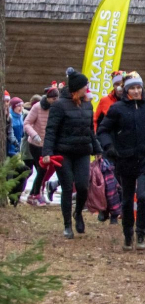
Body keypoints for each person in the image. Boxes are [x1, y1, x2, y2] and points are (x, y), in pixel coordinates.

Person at [98, 71, 145, 250]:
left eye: (139, 87)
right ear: (126, 90)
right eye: (133, 88)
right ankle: (128, 233)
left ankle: (141, 233)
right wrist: (109, 147)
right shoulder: (117, 109)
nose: (136, 91)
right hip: (125, 158)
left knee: (143, 196)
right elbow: (103, 130)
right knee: (128, 199)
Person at [42, 68, 103, 239]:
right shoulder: (59, 106)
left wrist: (97, 148)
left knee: (83, 186)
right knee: (68, 187)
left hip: (83, 151)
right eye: (85, 86)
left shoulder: (87, 105)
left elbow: (91, 130)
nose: (87, 88)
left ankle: (78, 213)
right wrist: (47, 151)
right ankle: (67, 224)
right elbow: (51, 130)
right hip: (64, 153)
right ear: (77, 88)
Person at [24, 87, 59, 206]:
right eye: (53, 98)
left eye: (57, 98)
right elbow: (27, 123)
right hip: (36, 143)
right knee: (42, 169)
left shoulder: (57, 108)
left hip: (48, 144)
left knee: (43, 170)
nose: (56, 100)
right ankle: (34, 195)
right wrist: (34, 135)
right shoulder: (37, 107)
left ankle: (35, 194)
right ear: (48, 98)